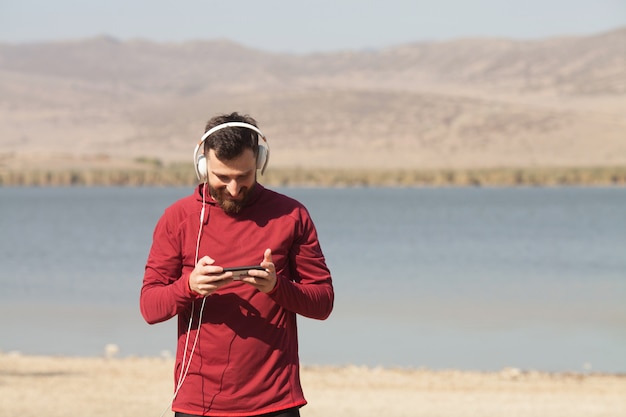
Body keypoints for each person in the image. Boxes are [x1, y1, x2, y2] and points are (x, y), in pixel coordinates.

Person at [140, 112, 334, 417]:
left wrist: (276, 288)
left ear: (259, 162)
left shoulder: (292, 215)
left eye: (243, 176)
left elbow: (323, 304)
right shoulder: (177, 219)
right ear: (203, 165)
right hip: (197, 403)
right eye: (222, 177)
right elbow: (150, 308)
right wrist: (188, 287)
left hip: (276, 402)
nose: (233, 189)